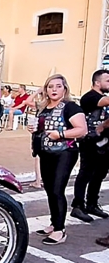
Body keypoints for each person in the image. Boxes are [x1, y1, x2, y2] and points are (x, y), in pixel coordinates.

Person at [28, 74, 87, 245]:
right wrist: (32, 129)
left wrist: (60, 134)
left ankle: (60, 230)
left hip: (65, 152)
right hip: (45, 152)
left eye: (58, 86)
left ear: (65, 88)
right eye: (50, 86)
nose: (54, 89)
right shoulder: (43, 107)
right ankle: (55, 223)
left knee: (57, 190)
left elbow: (82, 130)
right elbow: (40, 130)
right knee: (50, 190)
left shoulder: (70, 107)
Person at [71, 69, 109, 222]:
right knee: (85, 172)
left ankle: (92, 203)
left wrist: (105, 126)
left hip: (105, 143)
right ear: (97, 82)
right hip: (90, 142)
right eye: (108, 80)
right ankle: (78, 206)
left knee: (99, 174)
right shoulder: (89, 97)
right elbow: (104, 102)